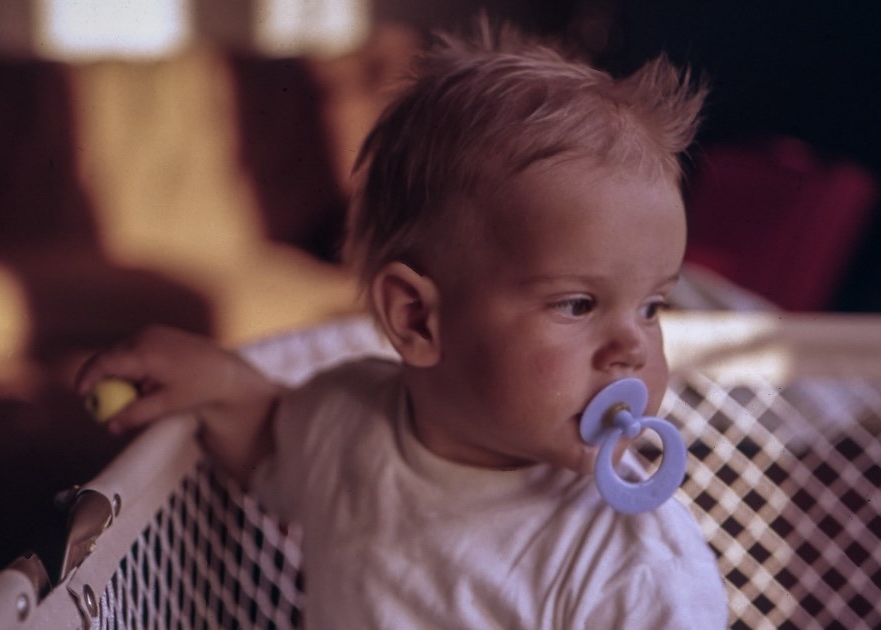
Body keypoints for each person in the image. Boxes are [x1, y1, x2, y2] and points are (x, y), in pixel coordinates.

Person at [76, 20, 728, 628]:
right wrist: (218, 378)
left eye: (652, 307)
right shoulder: (347, 422)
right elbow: (273, 443)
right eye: (578, 305)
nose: (632, 348)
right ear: (416, 318)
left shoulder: (634, 564)